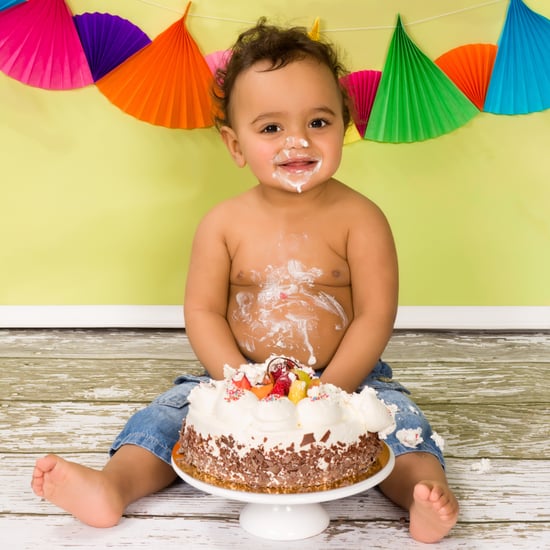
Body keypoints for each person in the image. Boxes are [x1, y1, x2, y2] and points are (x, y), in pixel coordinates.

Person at [31, 19, 459, 543]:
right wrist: (238, 386)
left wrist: (330, 391)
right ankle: (113, 486)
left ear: (344, 125)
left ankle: (424, 497)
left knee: (400, 424)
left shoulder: (361, 219)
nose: (297, 140)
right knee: (166, 421)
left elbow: (375, 313)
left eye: (319, 122)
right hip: (238, 377)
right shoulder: (224, 224)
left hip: (346, 374)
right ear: (235, 144)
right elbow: (203, 311)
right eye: (271, 128)